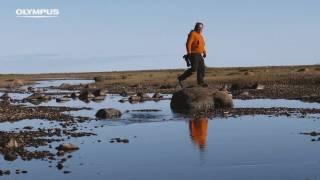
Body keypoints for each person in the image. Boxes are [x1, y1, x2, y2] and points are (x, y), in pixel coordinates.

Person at [178, 22, 207, 88]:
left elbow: (202, 45)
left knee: (202, 68)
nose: (200, 29)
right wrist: (189, 53)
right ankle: (181, 78)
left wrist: (204, 52)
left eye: (201, 28)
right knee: (194, 68)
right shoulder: (193, 34)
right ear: (196, 27)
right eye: (199, 27)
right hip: (193, 53)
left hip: (199, 54)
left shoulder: (200, 36)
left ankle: (201, 83)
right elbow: (188, 44)